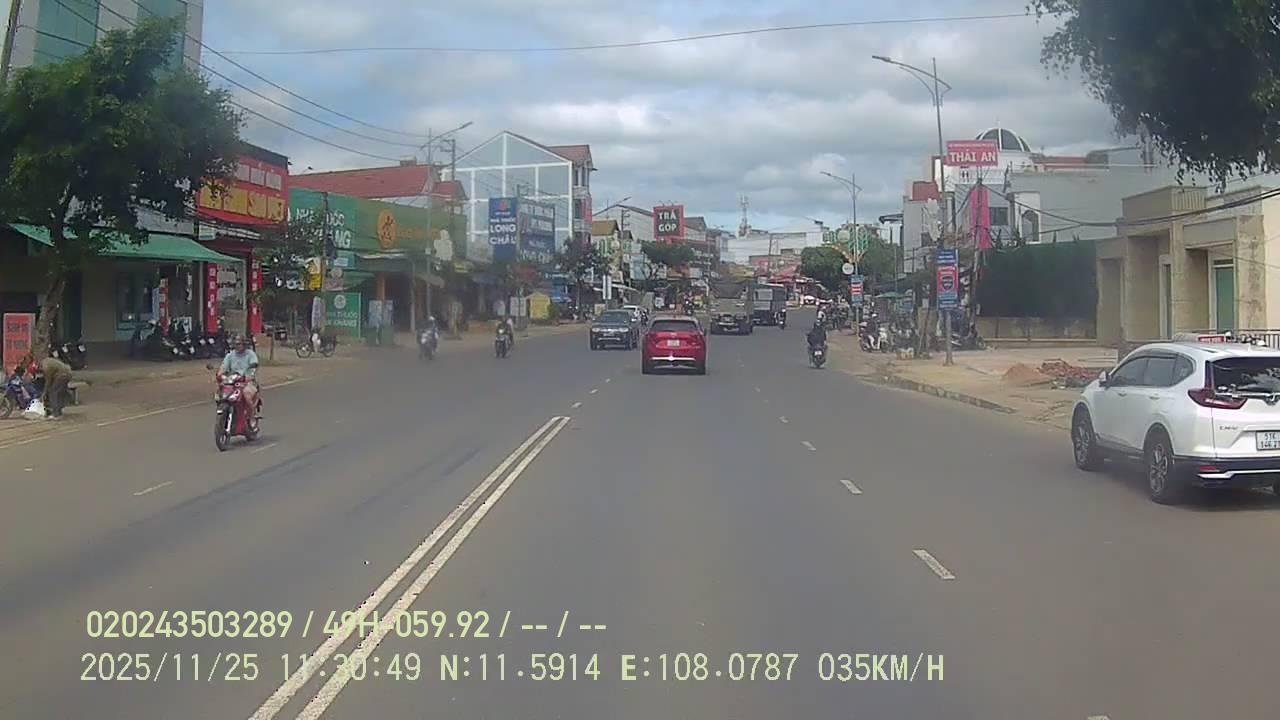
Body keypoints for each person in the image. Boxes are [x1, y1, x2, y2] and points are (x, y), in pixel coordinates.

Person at [220, 334, 260, 410]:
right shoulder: (230, 355)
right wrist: (220, 374)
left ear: (244, 344)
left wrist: (250, 374)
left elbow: (254, 366)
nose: (237, 346)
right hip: (232, 381)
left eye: (239, 344)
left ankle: (252, 414)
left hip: (247, 381)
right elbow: (224, 367)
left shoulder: (250, 354)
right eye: (235, 344)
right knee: (220, 394)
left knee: (247, 395)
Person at [39, 354, 73, 419]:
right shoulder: (48, 361)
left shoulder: (46, 367)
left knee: (53, 392)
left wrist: (44, 394)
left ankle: (55, 414)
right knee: (59, 393)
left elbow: (48, 382)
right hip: (68, 373)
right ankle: (59, 412)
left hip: (62, 375)